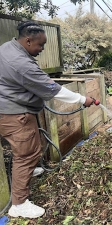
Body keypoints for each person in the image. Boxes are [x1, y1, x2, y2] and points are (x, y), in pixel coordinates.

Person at [0, 21, 95, 218]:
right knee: (25, 154)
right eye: (40, 45)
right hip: (14, 114)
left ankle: (26, 171)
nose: (42, 49)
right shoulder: (21, 64)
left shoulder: (8, 47)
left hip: (11, 107)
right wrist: (82, 99)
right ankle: (19, 204)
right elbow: (53, 89)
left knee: (30, 149)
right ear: (27, 40)